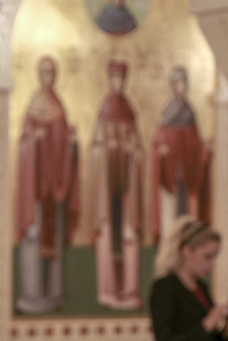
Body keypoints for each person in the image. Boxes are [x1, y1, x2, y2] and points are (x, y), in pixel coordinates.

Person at [15, 56, 80, 313]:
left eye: (51, 72)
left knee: (55, 240)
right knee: (33, 238)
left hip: (56, 190)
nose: (47, 77)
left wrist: (72, 143)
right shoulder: (33, 106)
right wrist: (34, 140)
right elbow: (23, 145)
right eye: (43, 72)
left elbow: (65, 146)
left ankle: (53, 295)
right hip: (36, 192)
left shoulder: (59, 108)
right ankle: (31, 295)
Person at [89, 60, 143, 309]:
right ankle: (108, 290)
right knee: (109, 235)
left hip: (126, 191)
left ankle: (130, 290)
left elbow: (139, 148)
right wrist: (106, 150)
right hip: (108, 190)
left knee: (128, 236)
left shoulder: (129, 111)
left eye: (121, 78)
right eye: (114, 78)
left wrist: (132, 151)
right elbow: (95, 149)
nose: (118, 83)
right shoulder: (104, 112)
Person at [150, 216, 228, 340]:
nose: (212, 264)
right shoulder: (164, 287)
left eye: (214, 257)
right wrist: (208, 323)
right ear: (187, 251)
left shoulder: (202, 287)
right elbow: (165, 338)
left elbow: (207, 336)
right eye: (207, 257)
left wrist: (226, 332)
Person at [152, 65, 212, 244]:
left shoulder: (190, 112)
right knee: (171, 214)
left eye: (184, 83)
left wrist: (204, 149)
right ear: (172, 85)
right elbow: (158, 142)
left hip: (188, 171)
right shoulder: (167, 112)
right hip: (171, 172)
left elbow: (195, 142)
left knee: (188, 212)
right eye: (178, 83)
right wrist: (161, 150)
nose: (181, 87)